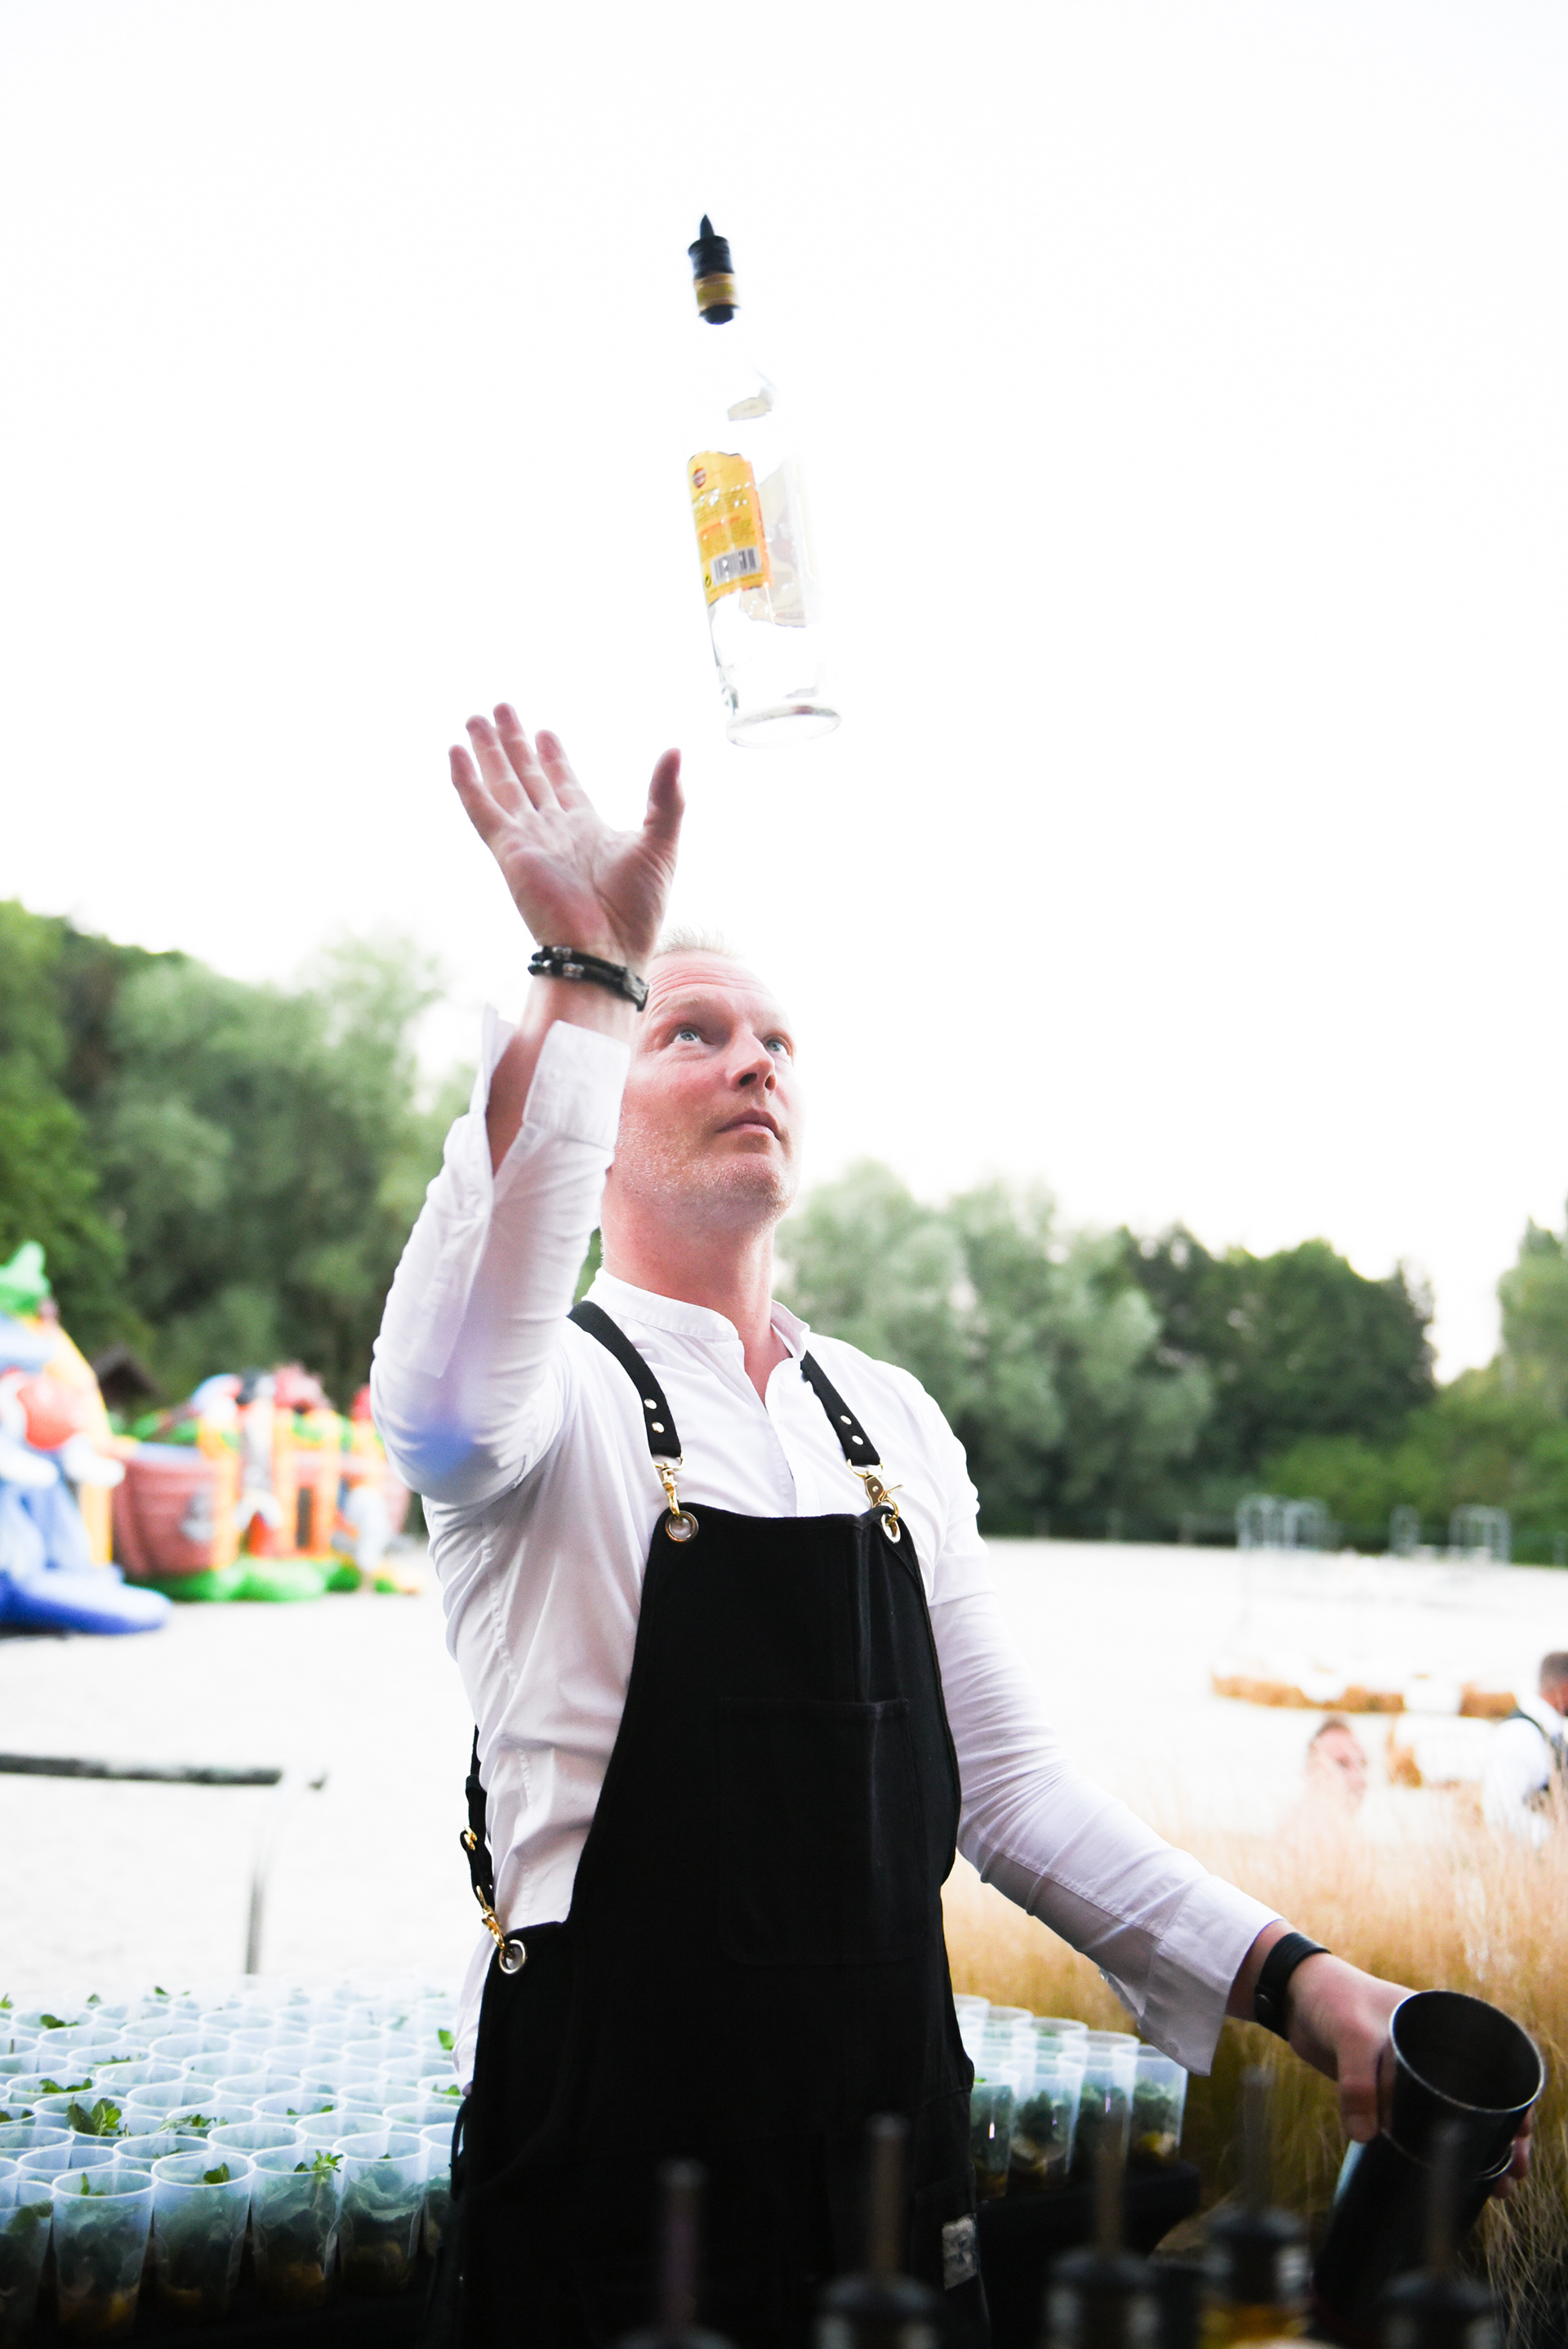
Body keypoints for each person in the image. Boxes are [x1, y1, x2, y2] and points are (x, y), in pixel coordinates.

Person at [371, 712, 1522, 2348]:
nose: (757, 1061)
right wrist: (585, 977)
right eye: (692, 1031)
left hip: (895, 2178)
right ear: (592, 1113)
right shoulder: (547, 1398)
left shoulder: (888, 1422)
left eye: (778, 1041)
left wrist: (1301, 1978)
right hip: (612, 2186)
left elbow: (1015, 1792)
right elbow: (428, 1402)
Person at [1482, 1651, 1568, 1843]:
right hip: (1536, 1853)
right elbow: (1500, 1813)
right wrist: (1556, 1839)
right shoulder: (1519, 1735)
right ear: (1566, 1687)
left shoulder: (1548, 1731)